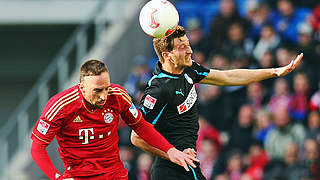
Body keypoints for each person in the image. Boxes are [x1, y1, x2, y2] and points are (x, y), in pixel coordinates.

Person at [130, 25, 303, 180]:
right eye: (182, 47)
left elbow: (228, 76)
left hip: (186, 164)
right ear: (167, 55)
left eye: (188, 44)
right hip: (170, 170)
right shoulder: (158, 89)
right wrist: (172, 154)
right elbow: (136, 137)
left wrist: (273, 72)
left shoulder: (190, 70)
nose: (190, 50)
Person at [30, 60, 198, 180]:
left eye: (106, 88)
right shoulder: (61, 106)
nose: (104, 95)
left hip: (115, 174)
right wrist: (57, 177)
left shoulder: (117, 95)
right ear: (82, 87)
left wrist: (170, 150)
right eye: (97, 90)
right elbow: (37, 147)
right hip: (79, 176)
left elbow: (140, 125)